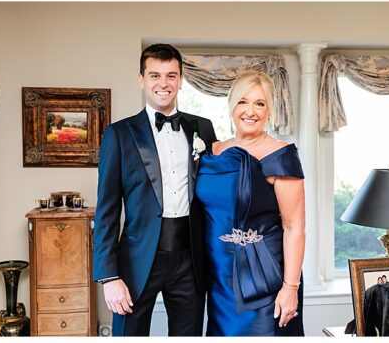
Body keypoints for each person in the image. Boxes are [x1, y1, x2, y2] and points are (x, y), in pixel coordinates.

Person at [93, 43, 218, 336]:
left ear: (181, 80)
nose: (164, 83)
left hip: (190, 258)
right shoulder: (119, 134)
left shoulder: (203, 128)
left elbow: (216, 192)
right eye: (155, 75)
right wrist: (109, 277)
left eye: (171, 75)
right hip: (137, 262)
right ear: (141, 79)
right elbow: (107, 211)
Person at [195, 71, 305, 336]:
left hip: (263, 278)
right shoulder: (213, 151)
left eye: (260, 103)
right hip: (219, 276)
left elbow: (294, 227)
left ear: (270, 110)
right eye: (243, 102)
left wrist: (290, 288)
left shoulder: (281, 156)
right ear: (232, 105)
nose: (250, 111)